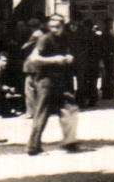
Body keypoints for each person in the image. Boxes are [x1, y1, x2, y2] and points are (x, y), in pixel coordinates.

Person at [24, 15, 81, 155]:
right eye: (52, 27)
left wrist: (69, 57)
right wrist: (54, 60)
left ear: (63, 26)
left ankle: (70, 142)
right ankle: (33, 146)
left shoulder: (65, 38)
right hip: (46, 81)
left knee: (70, 109)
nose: (54, 30)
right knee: (42, 113)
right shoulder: (45, 39)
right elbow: (33, 59)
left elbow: (68, 52)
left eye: (57, 27)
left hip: (61, 80)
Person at [97, 22, 114, 102]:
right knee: (109, 76)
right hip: (109, 58)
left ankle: (108, 93)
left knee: (108, 76)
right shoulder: (107, 35)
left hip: (109, 58)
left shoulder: (104, 35)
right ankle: (109, 93)